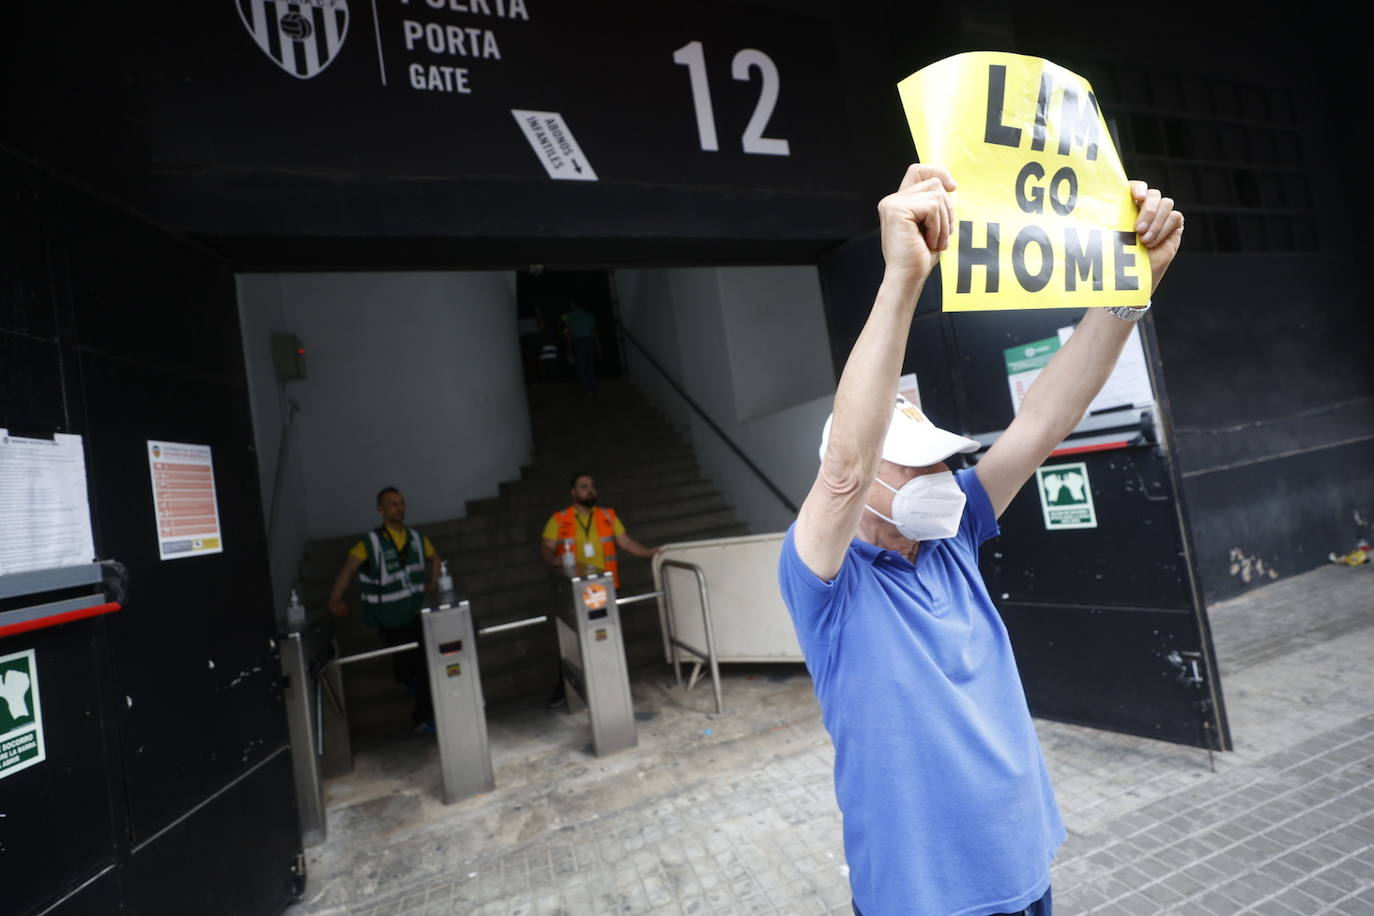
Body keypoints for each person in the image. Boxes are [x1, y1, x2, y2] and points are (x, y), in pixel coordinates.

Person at [777, 164, 1184, 916]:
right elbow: (842, 471)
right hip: (923, 898)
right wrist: (904, 275)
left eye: (944, 458)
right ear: (868, 479)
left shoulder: (954, 531)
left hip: (1023, 867)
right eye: (917, 462)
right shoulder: (827, 584)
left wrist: (1136, 284)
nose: (942, 473)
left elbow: (1044, 422)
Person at [539, 472, 660, 706]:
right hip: (575, 590)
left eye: (592, 486)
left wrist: (647, 552)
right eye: (584, 487)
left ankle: (608, 684)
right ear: (572, 492)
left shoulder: (607, 516)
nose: (590, 490)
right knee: (572, 639)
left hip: (604, 589)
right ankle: (566, 687)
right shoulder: (559, 519)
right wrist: (552, 560)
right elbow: (546, 547)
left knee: (604, 636)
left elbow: (625, 542)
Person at [328, 486, 443, 731]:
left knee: (423, 664)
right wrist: (335, 599)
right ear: (380, 510)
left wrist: (433, 581)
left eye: (401, 503)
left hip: (415, 613)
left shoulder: (416, 538)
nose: (399, 508)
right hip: (390, 618)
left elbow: (436, 558)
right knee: (405, 669)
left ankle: (423, 716)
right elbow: (347, 569)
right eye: (392, 504)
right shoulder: (370, 543)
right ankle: (416, 694)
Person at [561, 300, 600, 400]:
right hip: (590, 341)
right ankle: (594, 386)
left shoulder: (568, 317)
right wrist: (598, 346)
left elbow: (568, 334)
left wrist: (569, 351)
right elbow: (595, 332)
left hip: (579, 342)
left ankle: (589, 389)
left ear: (572, 305)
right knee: (589, 366)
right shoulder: (589, 315)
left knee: (581, 367)